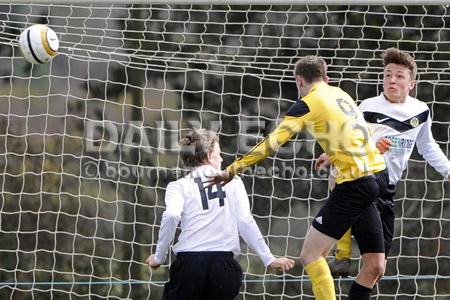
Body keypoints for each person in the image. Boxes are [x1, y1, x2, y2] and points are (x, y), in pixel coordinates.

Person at [207, 56, 389, 300]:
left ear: (299, 80)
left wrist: (233, 169)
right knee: (375, 266)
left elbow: (272, 143)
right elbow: (359, 132)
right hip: (376, 177)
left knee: (311, 255)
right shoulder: (340, 94)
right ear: (326, 77)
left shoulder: (306, 103)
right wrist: (334, 155)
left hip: (354, 184)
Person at [315, 47, 450, 278]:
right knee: (338, 177)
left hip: (387, 189)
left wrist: (447, 169)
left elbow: (427, 146)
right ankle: (342, 255)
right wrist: (336, 154)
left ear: (411, 84)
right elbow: (349, 138)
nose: (392, 80)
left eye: (399, 76)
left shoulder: (421, 111)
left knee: (376, 268)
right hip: (362, 179)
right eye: (387, 75)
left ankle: (345, 262)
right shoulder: (367, 106)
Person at [146, 128, 294, 300]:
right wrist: (269, 259)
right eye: (219, 153)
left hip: (190, 266)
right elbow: (245, 221)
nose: (222, 158)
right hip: (224, 267)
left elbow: (171, 216)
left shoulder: (178, 186)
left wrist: (159, 257)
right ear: (209, 156)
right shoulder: (234, 182)